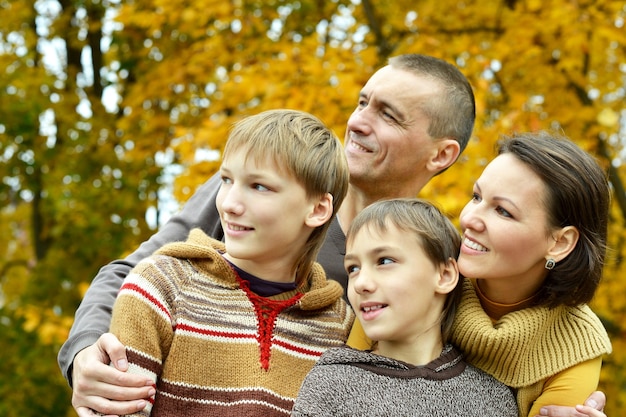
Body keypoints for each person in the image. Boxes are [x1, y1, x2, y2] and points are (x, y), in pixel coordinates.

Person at [58, 53, 607, 416]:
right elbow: (131, 274)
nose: (359, 121)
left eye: (388, 114)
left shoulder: (435, 255)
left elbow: (474, 357)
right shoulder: (268, 189)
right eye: (362, 101)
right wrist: (86, 356)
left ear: (442, 155)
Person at [103, 109, 354, 416]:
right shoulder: (160, 287)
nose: (230, 204)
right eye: (226, 179)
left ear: (317, 209)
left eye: (259, 186)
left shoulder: (340, 329)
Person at [347, 131, 612, 417]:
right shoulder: (415, 279)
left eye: (503, 211)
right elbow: (347, 385)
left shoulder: (575, 344)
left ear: (559, 242)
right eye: (476, 197)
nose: (469, 218)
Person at [291, 198, 518, 417]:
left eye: (385, 261)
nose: (360, 284)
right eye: (353, 268)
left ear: (444, 275)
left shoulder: (492, 398)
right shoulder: (331, 385)